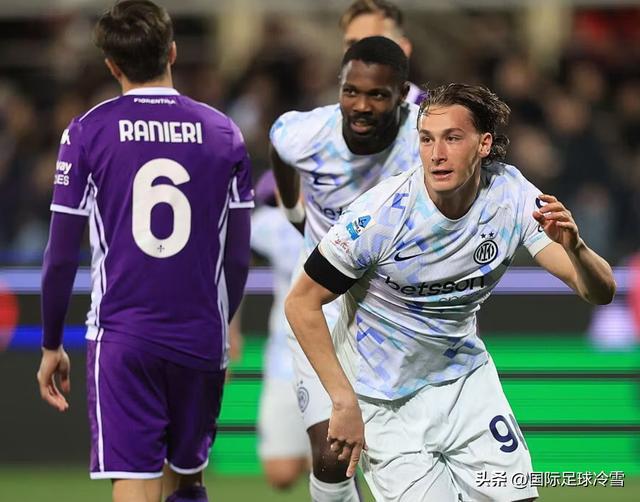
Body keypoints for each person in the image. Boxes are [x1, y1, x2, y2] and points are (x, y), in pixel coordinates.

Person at [285, 83, 616, 501]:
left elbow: (599, 291)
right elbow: (301, 303)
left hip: (465, 385)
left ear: (484, 144)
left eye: (452, 138)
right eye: (426, 139)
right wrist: (342, 400)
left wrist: (577, 247)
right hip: (384, 401)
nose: (436, 154)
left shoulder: (511, 195)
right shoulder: (379, 217)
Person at [35, 2, 253, 502]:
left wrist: (51, 344)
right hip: (199, 334)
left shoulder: (87, 132)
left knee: (134, 479)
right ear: (172, 52)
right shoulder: (224, 132)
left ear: (112, 65)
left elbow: (60, 255)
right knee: (189, 478)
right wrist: (221, 323)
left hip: (123, 336)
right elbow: (238, 257)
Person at [271, 36, 420, 501]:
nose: (361, 106)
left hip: (397, 314)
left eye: (377, 95)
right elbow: (279, 149)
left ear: (402, 94)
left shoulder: (426, 140)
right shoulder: (304, 134)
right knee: (334, 454)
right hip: (321, 306)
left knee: (408, 459)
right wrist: (294, 211)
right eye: (351, 91)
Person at [243, 171, 310, 488]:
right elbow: (231, 260)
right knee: (280, 474)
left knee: (330, 464)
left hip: (335, 357)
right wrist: (228, 327)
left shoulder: (341, 219)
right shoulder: (270, 224)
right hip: (284, 358)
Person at [340, 0, 423, 105]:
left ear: (403, 50)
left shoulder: (434, 112)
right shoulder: (329, 114)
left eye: (374, 42)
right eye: (352, 44)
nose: (360, 52)